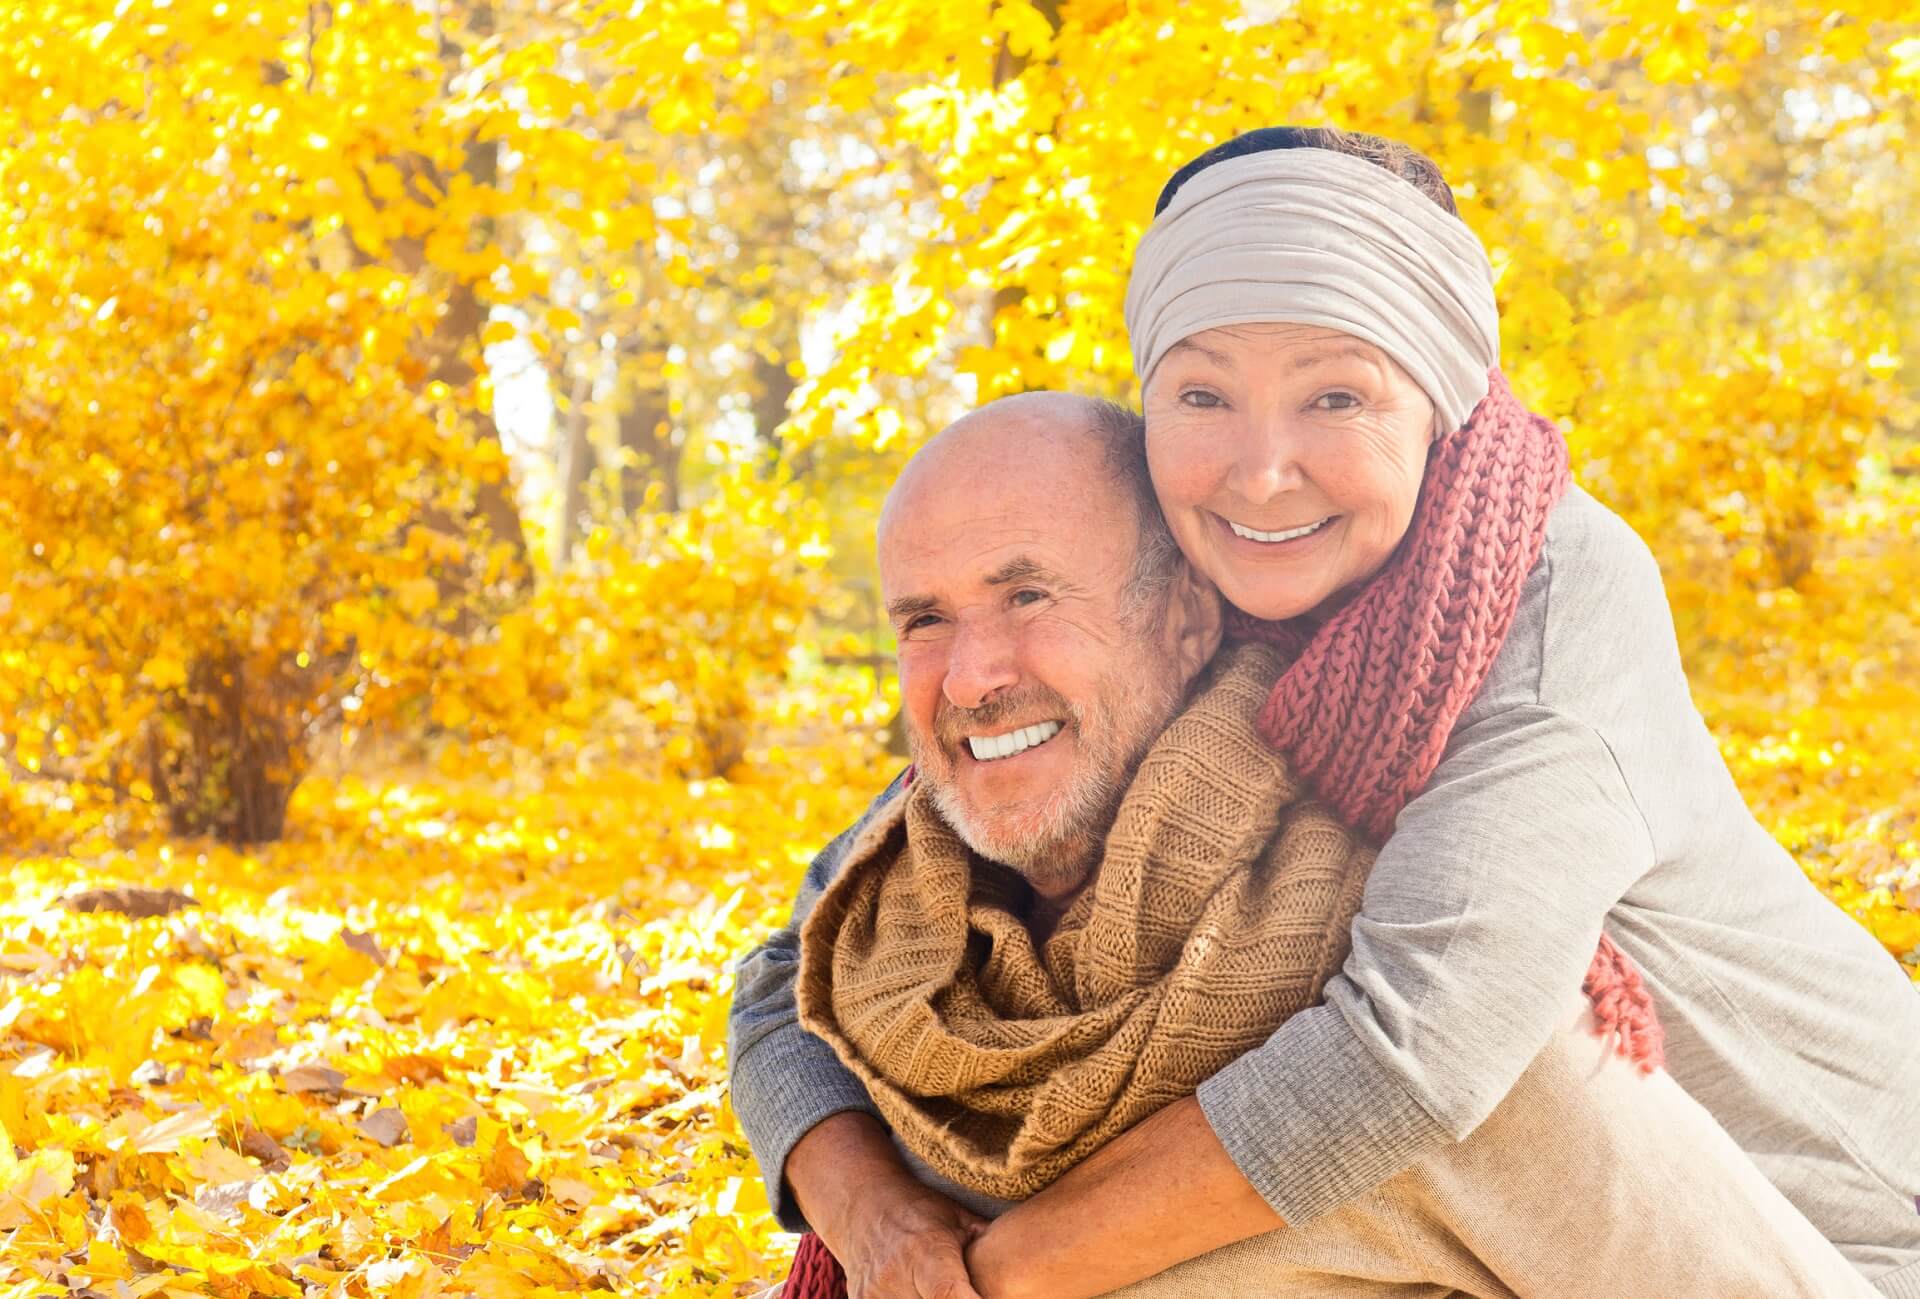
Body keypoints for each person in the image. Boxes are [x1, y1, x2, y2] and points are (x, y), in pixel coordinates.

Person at [730, 127, 1920, 1297]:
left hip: (1821, 1241)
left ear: (1439, 402)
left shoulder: (1544, 592)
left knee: (1452, 1093)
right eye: (1203, 393)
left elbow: (1419, 1054)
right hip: (1502, 1246)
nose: (1259, 472)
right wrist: (881, 1223)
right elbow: (815, 943)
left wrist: (991, 1277)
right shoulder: (1194, 582)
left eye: (1336, 396)